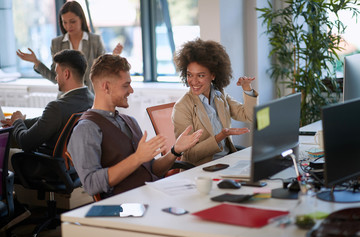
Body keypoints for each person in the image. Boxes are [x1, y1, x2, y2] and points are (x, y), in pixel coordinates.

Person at [67, 54, 203, 199]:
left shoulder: (129, 121)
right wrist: (137, 158)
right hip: (126, 206)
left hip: (153, 195)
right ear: (106, 87)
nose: (131, 90)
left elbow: (152, 170)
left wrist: (175, 151)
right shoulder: (86, 129)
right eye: (126, 85)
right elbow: (91, 184)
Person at [172, 38, 258, 166]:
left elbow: (249, 115)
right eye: (190, 75)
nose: (193, 81)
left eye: (200, 75)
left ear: (213, 75)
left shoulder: (219, 94)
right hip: (202, 169)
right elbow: (189, 154)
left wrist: (247, 88)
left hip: (228, 161)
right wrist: (221, 136)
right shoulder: (182, 107)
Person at [16, 0, 123, 93]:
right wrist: (36, 62)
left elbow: (101, 71)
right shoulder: (56, 43)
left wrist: (114, 56)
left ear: (81, 19)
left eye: (72, 21)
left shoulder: (94, 40)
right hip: (67, 99)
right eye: (64, 22)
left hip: (90, 97)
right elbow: (55, 78)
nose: (68, 26)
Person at [1, 49, 94, 153]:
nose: (56, 78)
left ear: (66, 74)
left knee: (5, 152)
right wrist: (21, 121)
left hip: (46, 163)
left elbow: (25, 143)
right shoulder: (91, 99)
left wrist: (17, 121)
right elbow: (46, 121)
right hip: (71, 164)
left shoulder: (56, 107)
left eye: (57, 73)